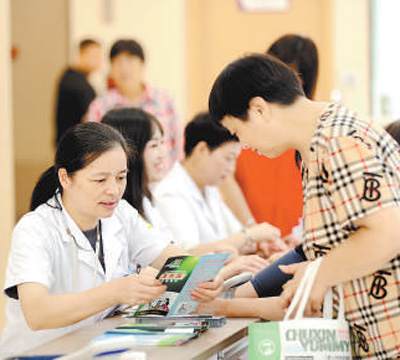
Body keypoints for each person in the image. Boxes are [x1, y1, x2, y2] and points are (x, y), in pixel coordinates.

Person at [208, 53, 400, 359]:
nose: (244, 145)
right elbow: (354, 239)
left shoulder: (336, 140)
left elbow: (388, 234)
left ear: (259, 109)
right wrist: (314, 268)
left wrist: (319, 274)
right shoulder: (318, 145)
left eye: (238, 132)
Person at [0, 122, 217, 358]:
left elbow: (171, 257)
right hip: (37, 354)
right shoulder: (35, 228)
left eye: (121, 177)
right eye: (100, 180)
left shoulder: (120, 214)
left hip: (94, 348)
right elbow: (38, 314)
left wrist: (203, 275)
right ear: (65, 178)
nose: (113, 190)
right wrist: (114, 292)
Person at [101, 108, 271, 277]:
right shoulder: (165, 194)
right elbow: (175, 261)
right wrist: (237, 252)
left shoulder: (142, 205)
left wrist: (232, 259)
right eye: (154, 145)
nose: (163, 154)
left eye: (162, 144)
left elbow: (173, 259)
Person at [154, 112, 286, 258]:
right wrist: (250, 235)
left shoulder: (209, 189)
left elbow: (234, 238)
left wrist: (263, 245)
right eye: (228, 158)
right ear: (202, 150)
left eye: (235, 160)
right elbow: (186, 255)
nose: (231, 168)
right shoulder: (169, 193)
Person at [233, 34, 318, 238]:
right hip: (251, 234)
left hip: (299, 235)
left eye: (290, 75)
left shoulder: (314, 123)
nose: (278, 83)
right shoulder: (246, 118)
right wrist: (251, 228)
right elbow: (226, 176)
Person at [86, 39, 183, 173]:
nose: (124, 68)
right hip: (119, 185)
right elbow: (91, 149)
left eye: (130, 61)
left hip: (164, 182)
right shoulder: (100, 106)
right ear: (111, 69)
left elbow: (178, 143)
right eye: (118, 62)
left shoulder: (164, 99)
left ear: (142, 64)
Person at [55, 39, 102, 144]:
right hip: (74, 144)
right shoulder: (78, 84)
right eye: (95, 56)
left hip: (67, 141)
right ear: (81, 54)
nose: (99, 61)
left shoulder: (69, 76)